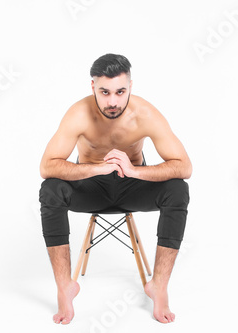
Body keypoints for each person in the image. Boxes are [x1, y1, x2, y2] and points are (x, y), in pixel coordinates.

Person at [38, 53, 192, 325]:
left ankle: (159, 285)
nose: (112, 101)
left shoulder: (145, 114)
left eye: (120, 92)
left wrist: (134, 171)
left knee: (177, 190)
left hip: (133, 186)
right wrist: (96, 167)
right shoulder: (79, 114)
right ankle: (65, 286)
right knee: (50, 189)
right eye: (104, 92)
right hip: (89, 187)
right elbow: (47, 167)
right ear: (93, 87)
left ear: (130, 87)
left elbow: (184, 167)